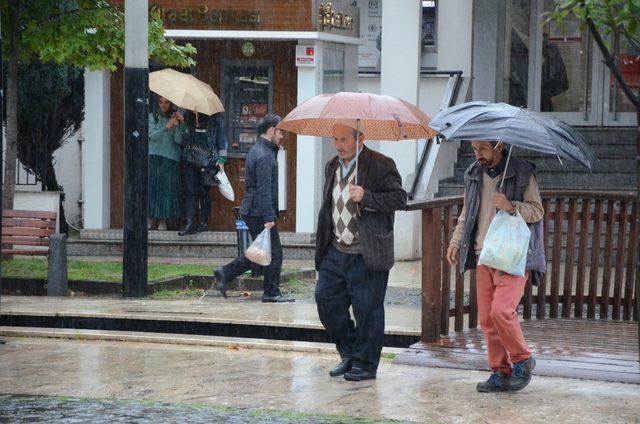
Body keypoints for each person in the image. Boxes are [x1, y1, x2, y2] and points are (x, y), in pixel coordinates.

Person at [446, 140, 546, 393]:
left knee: (502, 312)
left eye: (482, 149)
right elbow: (467, 213)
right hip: (483, 255)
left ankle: (523, 359)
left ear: (499, 146)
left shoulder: (523, 172)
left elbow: (537, 211)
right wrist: (456, 242)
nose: (476, 154)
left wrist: (512, 206)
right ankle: (500, 372)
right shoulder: (473, 173)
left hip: (512, 255)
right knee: (487, 320)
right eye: (473, 148)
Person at [314, 121, 406, 382]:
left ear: (360, 138)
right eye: (335, 139)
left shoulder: (381, 164)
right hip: (335, 248)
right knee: (326, 301)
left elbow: (399, 198)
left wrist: (366, 196)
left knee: (367, 310)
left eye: (344, 139)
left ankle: (366, 364)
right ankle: (350, 352)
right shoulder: (332, 165)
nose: (339, 145)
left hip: (367, 249)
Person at [214, 114, 293, 303]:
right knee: (274, 253)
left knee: (260, 252)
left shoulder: (258, 150)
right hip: (259, 211)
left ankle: (224, 273)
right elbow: (264, 190)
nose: (281, 136)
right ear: (272, 130)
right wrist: (269, 217)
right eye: (280, 131)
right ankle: (271, 292)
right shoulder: (265, 156)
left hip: (252, 209)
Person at [179, 111, 228, 235]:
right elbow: (183, 140)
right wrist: (185, 125)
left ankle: (203, 222)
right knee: (190, 191)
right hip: (190, 159)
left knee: (204, 192)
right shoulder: (187, 116)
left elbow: (222, 140)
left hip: (208, 161)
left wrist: (222, 160)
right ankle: (190, 223)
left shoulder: (216, 119)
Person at [148, 96, 186, 230]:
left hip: (170, 159)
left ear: (171, 104)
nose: (163, 105)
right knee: (153, 189)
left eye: (166, 102)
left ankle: (164, 221)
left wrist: (177, 126)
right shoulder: (153, 117)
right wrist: (165, 127)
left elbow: (179, 141)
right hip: (154, 157)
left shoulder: (175, 117)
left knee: (166, 192)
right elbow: (152, 136)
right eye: (161, 102)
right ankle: (152, 219)